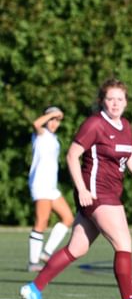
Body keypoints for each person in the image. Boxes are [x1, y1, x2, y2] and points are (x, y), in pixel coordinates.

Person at [19, 78, 132, 299]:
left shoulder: (126, 126)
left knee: (76, 248)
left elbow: (131, 160)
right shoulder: (95, 124)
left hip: (107, 193)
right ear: (102, 101)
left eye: (120, 99)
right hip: (98, 194)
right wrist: (82, 189)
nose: (115, 104)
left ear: (126, 102)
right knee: (124, 243)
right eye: (110, 99)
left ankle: (33, 288)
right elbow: (72, 156)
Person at [27, 107, 74, 272]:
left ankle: (46, 253)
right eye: (52, 119)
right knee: (41, 222)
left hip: (51, 186)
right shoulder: (40, 134)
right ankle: (33, 262)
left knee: (68, 218)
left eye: (57, 120)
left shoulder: (53, 138)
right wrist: (52, 114)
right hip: (40, 184)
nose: (55, 123)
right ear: (46, 119)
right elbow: (35, 123)